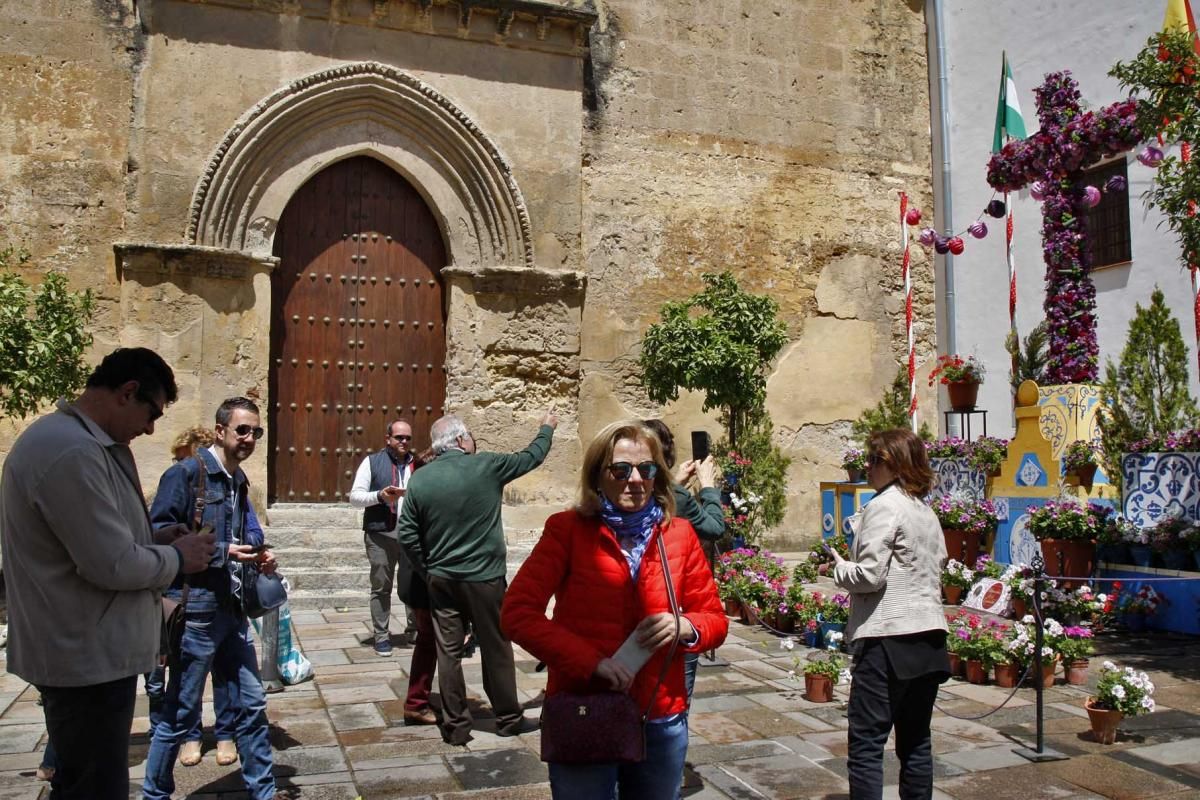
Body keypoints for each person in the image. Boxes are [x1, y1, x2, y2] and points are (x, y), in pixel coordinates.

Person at [0, 347, 216, 799]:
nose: (151, 428)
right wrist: (180, 559)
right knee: (95, 789)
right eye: (151, 412)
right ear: (127, 392)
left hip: (91, 652)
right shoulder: (70, 450)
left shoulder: (83, 443)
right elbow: (109, 564)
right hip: (84, 658)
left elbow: (98, 540)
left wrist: (156, 540)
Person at [501, 421, 728, 799]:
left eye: (646, 469)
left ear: (658, 475)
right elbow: (518, 613)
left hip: (659, 713)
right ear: (598, 475)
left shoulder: (680, 534)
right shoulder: (567, 530)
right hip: (585, 707)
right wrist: (591, 663)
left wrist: (685, 625)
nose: (635, 479)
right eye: (621, 469)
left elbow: (715, 620)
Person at [142, 397, 286, 800]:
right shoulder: (186, 474)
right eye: (242, 430)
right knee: (180, 712)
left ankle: (264, 791)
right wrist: (224, 550)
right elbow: (159, 533)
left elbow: (250, 532)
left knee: (253, 705)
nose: (249, 438)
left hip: (233, 609)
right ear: (220, 431)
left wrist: (260, 552)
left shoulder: (239, 480)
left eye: (256, 431)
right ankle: (154, 794)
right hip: (197, 611)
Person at [396, 412, 556, 745]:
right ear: (458, 440)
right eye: (468, 434)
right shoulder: (487, 465)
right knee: (496, 648)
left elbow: (407, 533)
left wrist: (427, 569)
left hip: (440, 579)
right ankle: (509, 718)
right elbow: (532, 456)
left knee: (448, 652)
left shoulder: (420, 479)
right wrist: (547, 428)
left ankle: (455, 726)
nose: (472, 439)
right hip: (485, 579)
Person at [829, 429, 951, 800]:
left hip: (888, 637)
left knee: (866, 743)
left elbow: (869, 575)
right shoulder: (926, 511)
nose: (866, 466)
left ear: (895, 464)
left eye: (874, 460)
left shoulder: (884, 505)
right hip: (929, 638)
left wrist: (838, 568)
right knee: (915, 742)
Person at [642, 419, 725, 701]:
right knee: (674, 701)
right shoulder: (679, 499)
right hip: (676, 615)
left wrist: (673, 482)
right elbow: (715, 528)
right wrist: (709, 486)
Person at [348, 419, 421, 658]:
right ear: (387, 438)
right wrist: (380, 496)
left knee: (414, 586)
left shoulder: (419, 464)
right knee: (381, 587)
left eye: (408, 438)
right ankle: (381, 636)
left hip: (411, 537)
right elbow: (355, 497)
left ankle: (415, 631)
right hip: (380, 536)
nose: (404, 442)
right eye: (399, 437)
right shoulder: (372, 462)